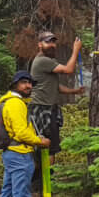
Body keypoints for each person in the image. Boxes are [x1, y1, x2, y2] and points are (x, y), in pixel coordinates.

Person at [0, 70, 50, 197]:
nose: (28, 86)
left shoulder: (9, 102)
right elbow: (20, 132)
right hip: (19, 154)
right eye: (24, 82)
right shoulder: (16, 104)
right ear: (15, 85)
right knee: (21, 196)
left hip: (10, 153)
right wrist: (39, 141)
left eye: (30, 83)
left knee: (7, 194)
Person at [28, 31, 84, 163]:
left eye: (53, 42)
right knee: (47, 148)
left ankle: (44, 178)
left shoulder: (49, 61)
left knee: (50, 146)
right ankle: (45, 179)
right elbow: (68, 70)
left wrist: (74, 91)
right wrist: (76, 50)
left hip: (49, 108)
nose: (52, 45)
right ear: (39, 45)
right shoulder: (42, 61)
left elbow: (56, 86)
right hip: (41, 109)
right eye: (48, 42)